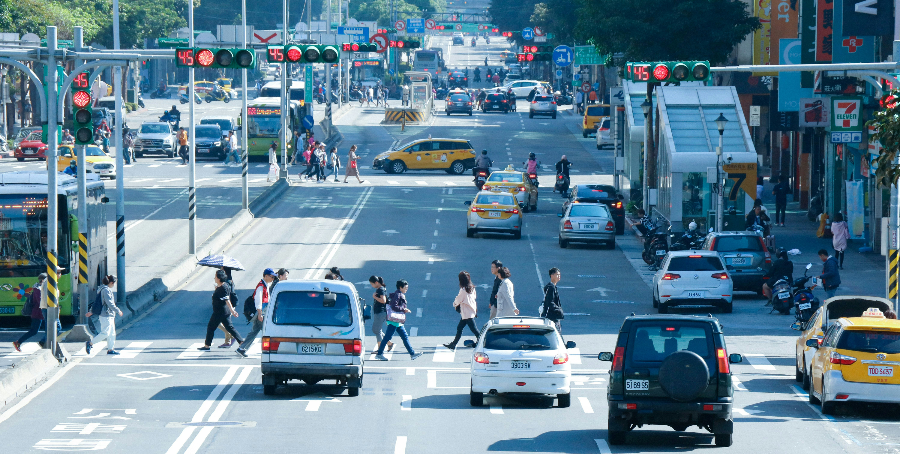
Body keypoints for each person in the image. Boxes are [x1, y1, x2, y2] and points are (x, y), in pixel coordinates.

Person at [373, 280, 423, 361]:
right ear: (400, 287)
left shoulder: (398, 294)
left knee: (404, 337)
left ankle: (412, 354)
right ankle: (379, 354)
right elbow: (393, 306)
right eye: (405, 287)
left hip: (397, 321)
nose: (407, 289)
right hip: (394, 321)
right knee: (387, 337)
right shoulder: (398, 295)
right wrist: (404, 309)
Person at [198, 270, 244, 351]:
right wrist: (217, 289)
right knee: (230, 328)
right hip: (224, 312)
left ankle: (207, 346)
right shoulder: (223, 286)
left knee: (211, 327)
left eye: (215, 276)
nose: (214, 278)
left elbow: (227, 300)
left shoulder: (222, 288)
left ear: (219, 278)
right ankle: (241, 342)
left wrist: (232, 311)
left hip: (219, 312)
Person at [236, 268, 276, 357]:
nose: (272, 279)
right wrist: (260, 314)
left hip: (261, 313)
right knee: (268, 331)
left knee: (254, 331)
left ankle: (241, 348)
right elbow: (258, 300)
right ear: (266, 276)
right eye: (271, 276)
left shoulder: (265, 285)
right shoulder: (261, 286)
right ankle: (269, 350)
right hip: (261, 313)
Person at [84, 275, 123, 355]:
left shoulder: (103, 289)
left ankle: (110, 349)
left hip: (109, 315)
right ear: (112, 282)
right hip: (106, 315)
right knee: (105, 333)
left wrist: (91, 311)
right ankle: (90, 343)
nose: (114, 285)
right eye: (114, 283)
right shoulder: (106, 290)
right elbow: (109, 303)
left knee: (112, 333)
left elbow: (98, 302)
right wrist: (118, 310)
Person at [443, 271, 479, 351]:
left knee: (474, 330)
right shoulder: (472, 287)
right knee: (460, 328)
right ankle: (453, 344)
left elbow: (458, 300)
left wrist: (454, 304)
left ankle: (483, 343)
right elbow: (474, 298)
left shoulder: (463, 290)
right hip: (470, 311)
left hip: (466, 313)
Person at [12, 274, 46, 352]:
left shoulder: (41, 288)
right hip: (38, 313)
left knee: (50, 328)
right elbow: (40, 301)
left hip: (41, 313)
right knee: (34, 331)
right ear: (43, 281)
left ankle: (44, 343)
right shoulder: (38, 289)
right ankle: (18, 342)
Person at [368, 276, 393, 353]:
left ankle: (380, 348)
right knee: (377, 330)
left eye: (372, 284)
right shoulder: (380, 289)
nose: (372, 286)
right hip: (380, 312)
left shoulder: (381, 289)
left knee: (376, 330)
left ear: (376, 282)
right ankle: (389, 343)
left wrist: (375, 297)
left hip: (380, 312)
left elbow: (383, 300)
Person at [541, 268, 564, 334]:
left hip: (552, 315)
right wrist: (558, 309)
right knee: (556, 333)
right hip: (551, 316)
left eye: (559, 275)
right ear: (552, 275)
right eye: (557, 274)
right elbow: (549, 302)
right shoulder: (551, 287)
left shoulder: (552, 286)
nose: (559, 276)